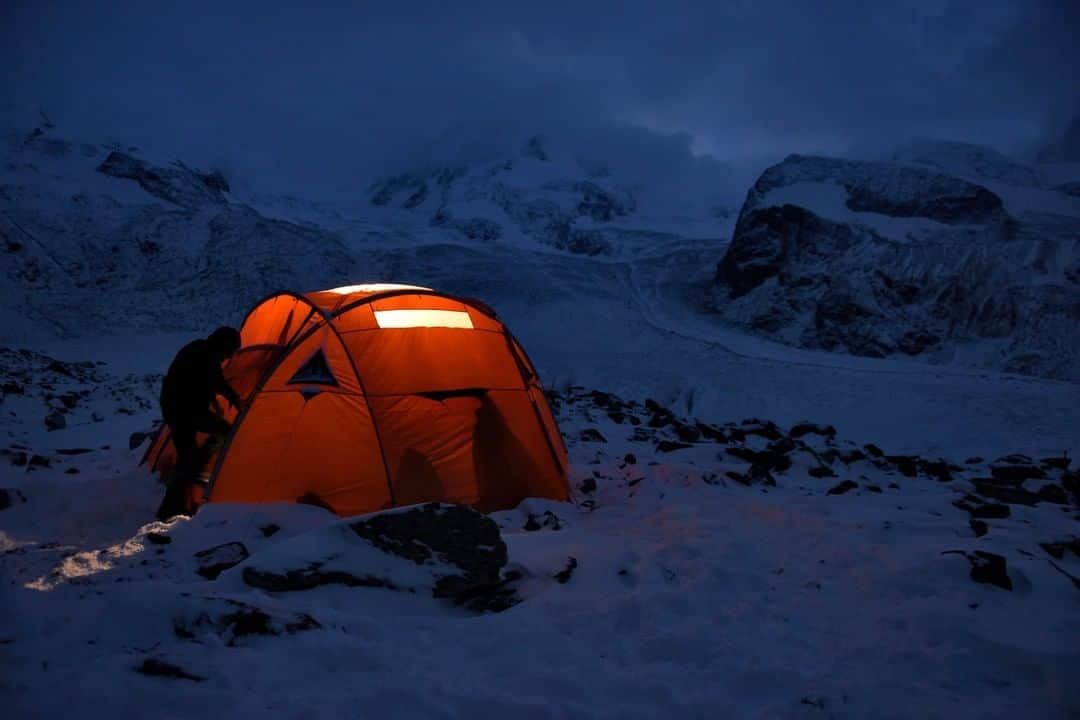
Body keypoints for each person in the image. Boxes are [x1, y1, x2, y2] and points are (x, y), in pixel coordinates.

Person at [155, 326, 243, 521]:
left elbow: (212, 380)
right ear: (224, 346)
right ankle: (169, 509)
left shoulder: (201, 349)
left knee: (208, 440)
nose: (230, 356)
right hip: (182, 411)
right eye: (230, 351)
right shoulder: (205, 355)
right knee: (193, 454)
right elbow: (215, 380)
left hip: (182, 408)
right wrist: (233, 399)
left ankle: (197, 468)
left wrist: (224, 401)